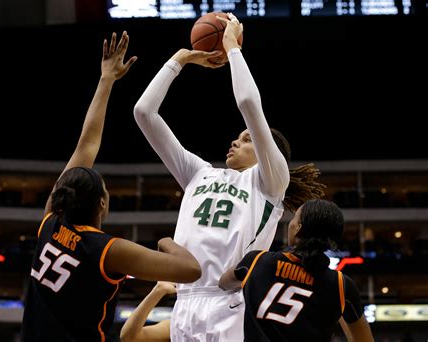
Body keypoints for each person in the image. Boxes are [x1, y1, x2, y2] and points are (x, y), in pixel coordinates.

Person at [133, 12, 325, 341]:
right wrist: (180, 60)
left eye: (248, 138)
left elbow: (249, 101)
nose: (236, 140)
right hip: (184, 304)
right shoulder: (198, 173)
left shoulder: (270, 183)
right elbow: (144, 113)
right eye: (239, 136)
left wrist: (232, 47)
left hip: (230, 304)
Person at [20, 31, 201, 342]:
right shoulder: (106, 250)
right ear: (102, 204)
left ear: (62, 196)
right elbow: (191, 270)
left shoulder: (50, 222)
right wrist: (166, 241)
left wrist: (106, 80)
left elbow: (86, 146)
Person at [219, 199, 374, 342]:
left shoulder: (256, 261)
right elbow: (364, 340)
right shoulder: (341, 285)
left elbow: (223, 283)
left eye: (294, 217)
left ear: (298, 228)